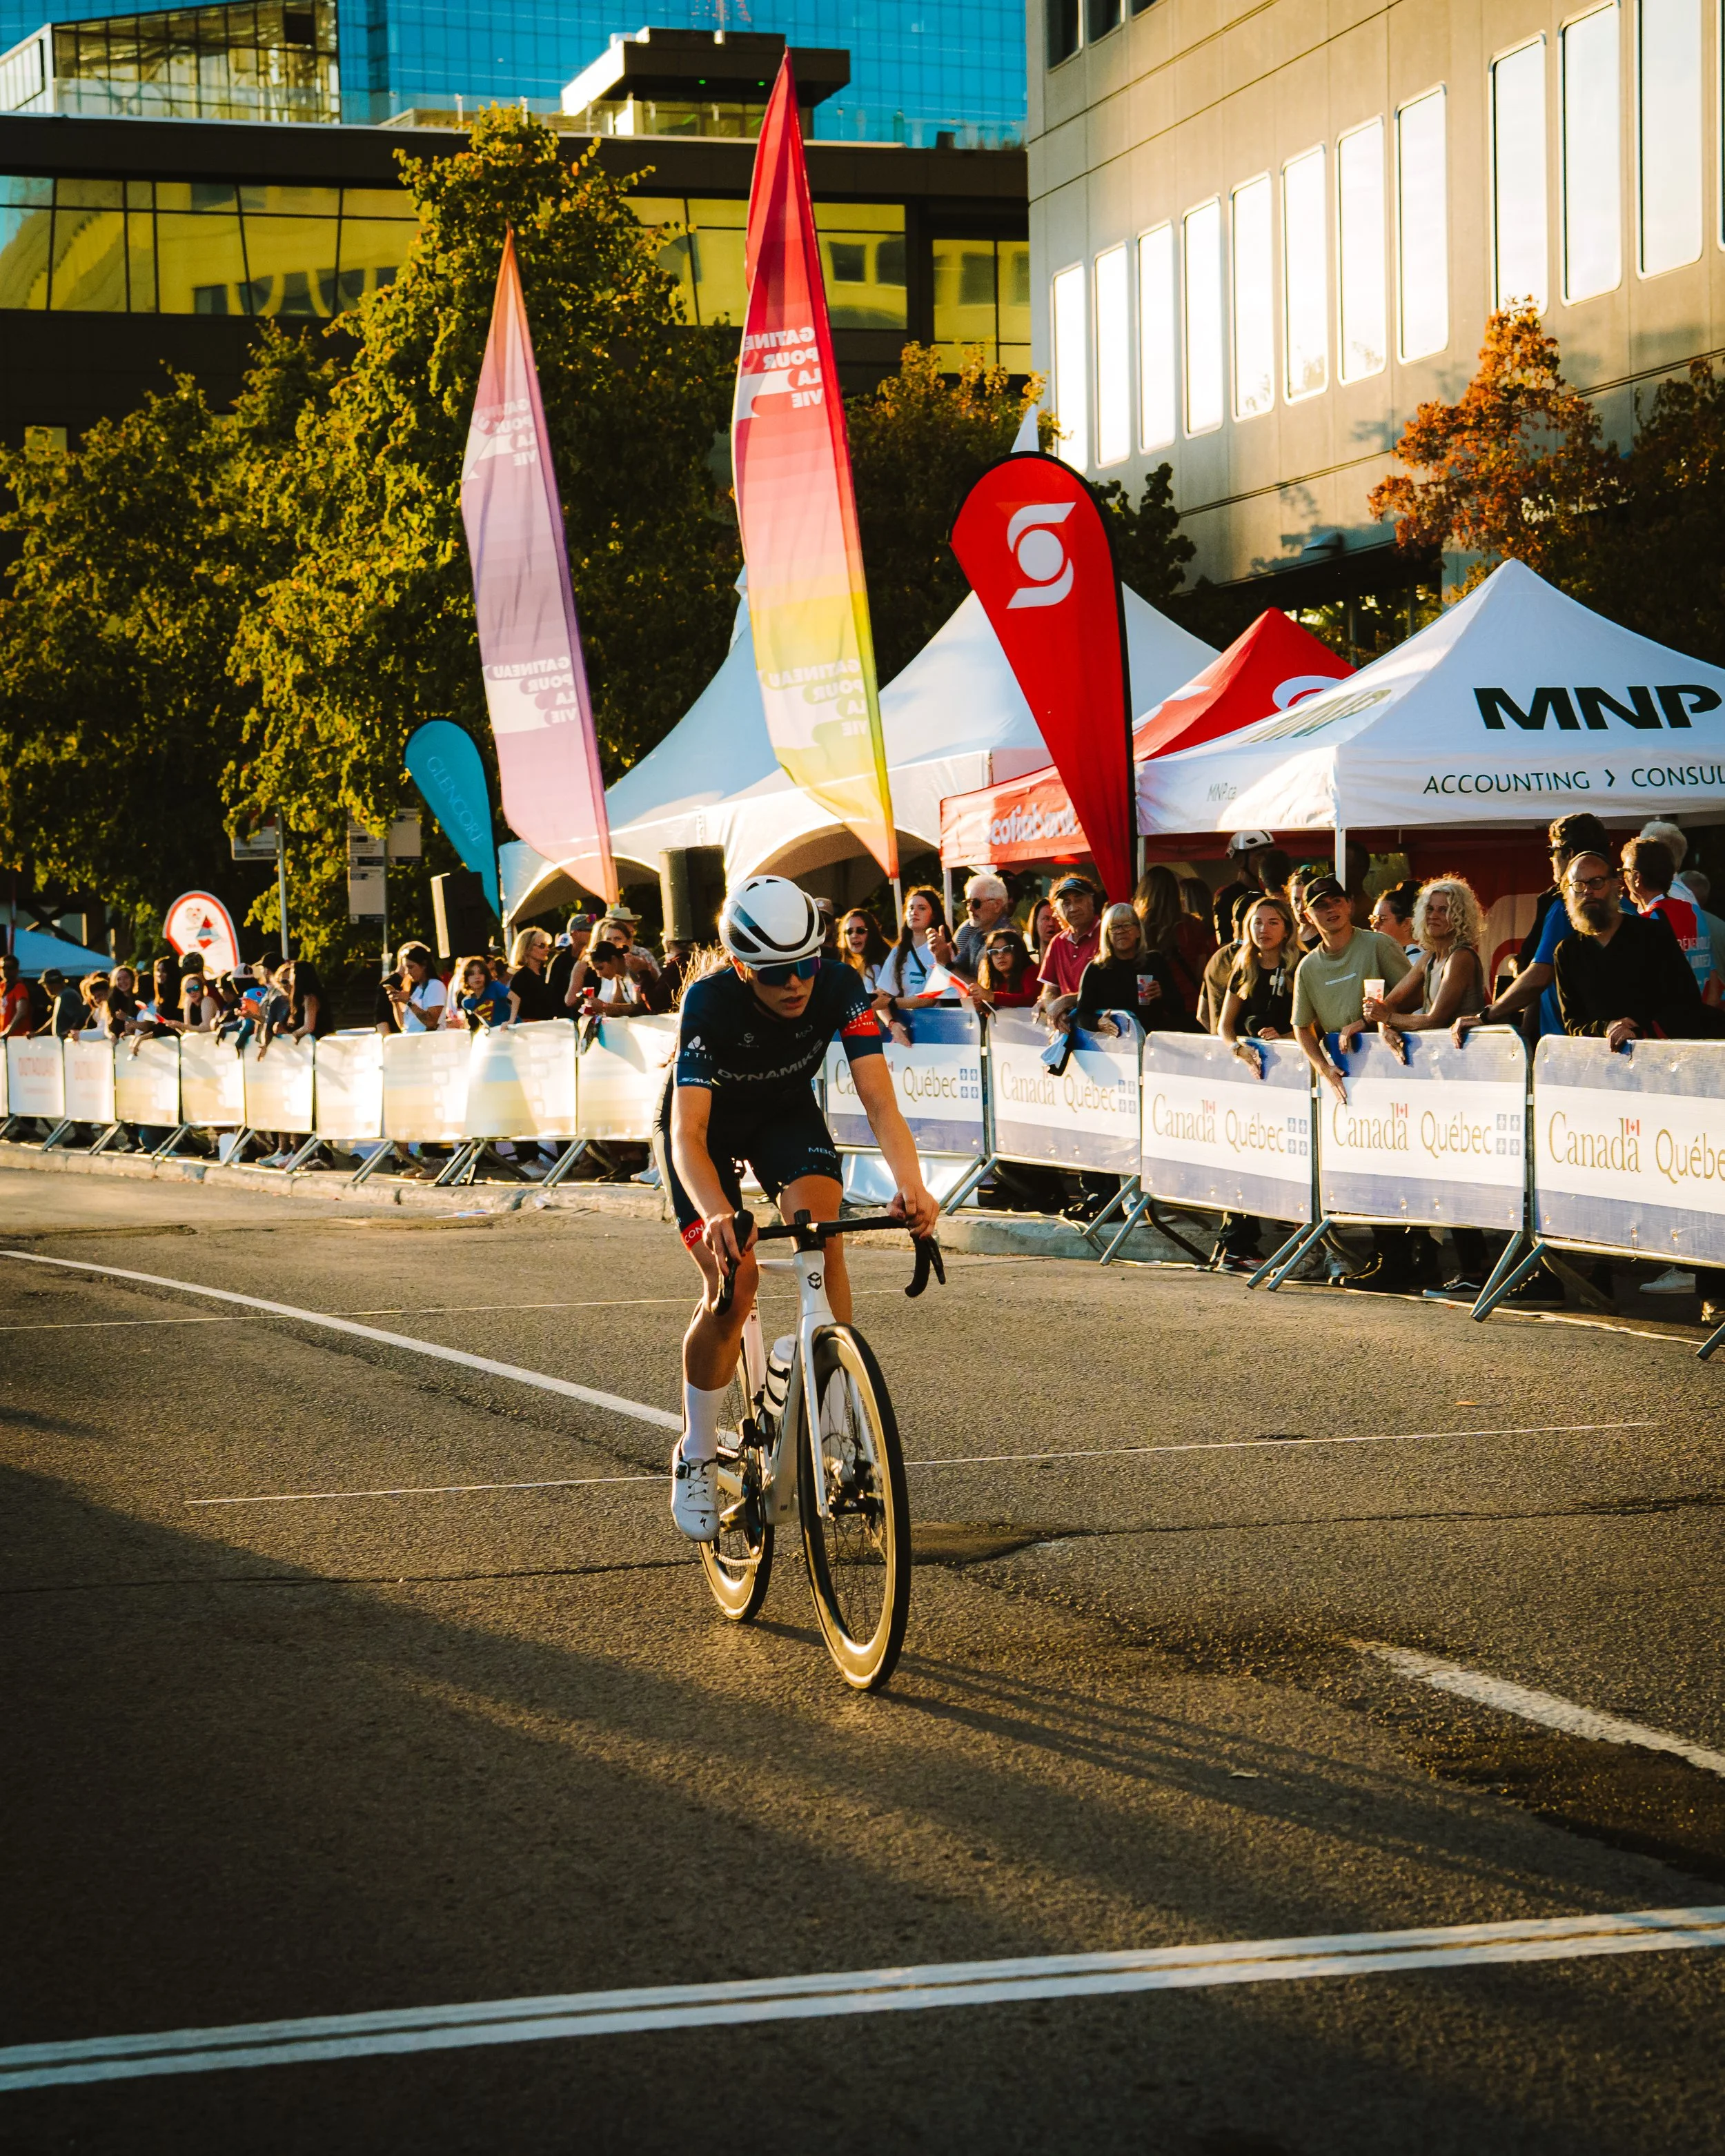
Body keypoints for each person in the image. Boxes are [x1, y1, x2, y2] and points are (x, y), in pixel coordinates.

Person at [662, 874, 938, 1541]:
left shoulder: (841, 986)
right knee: (738, 1280)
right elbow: (687, 1136)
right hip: (708, 1133)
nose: (796, 984)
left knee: (824, 1235)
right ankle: (697, 1451)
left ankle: (834, 1416)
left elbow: (879, 1101)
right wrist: (718, 1214)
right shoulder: (708, 1001)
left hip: (785, 1116)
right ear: (741, 967)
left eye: (806, 966)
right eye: (777, 972)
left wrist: (913, 1186)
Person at [1462, 811, 1614, 1047]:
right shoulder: (1622, 903)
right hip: (1616, 1042)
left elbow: (1539, 976)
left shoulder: (1569, 905)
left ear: (1570, 853)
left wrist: (1486, 1016)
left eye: (1552, 851)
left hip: (1570, 1046)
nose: (1551, 859)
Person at [1213, 896, 1302, 1272]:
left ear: (1287, 928)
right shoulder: (1243, 967)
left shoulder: (1301, 966)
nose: (1263, 930)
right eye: (1257, 923)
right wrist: (1238, 1048)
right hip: (1252, 1080)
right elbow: (1225, 1026)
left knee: (1292, 1162)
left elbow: (1312, 1022)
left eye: (1272, 922)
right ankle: (1237, 1244)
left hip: (1292, 1080)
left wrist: (1283, 1036)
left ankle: (1304, 1246)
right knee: (1244, 1157)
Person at [1553, 852, 1715, 1044]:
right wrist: (1606, 1028)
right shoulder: (1567, 952)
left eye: (1597, 882)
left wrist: (1639, 1032)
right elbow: (1573, 1022)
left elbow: (1686, 1004)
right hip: (1599, 1067)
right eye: (1578, 885)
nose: (1588, 891)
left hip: (1658, 1060)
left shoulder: (1653, 936)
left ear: (1617, 885)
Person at [1363, 878, 1487, 1036]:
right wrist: (1385, 1029)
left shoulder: (1461, 956)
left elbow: (1435, 1020)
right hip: (1439, 1051)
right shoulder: (1429, 957)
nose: (1433, 916)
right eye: (1429, 909)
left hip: (1468, 1053)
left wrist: (1387, 1018)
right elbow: (1387, 1005)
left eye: (1443, 910)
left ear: (1459, 916)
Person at [1065, 903, 1201, 1036]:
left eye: (1127, 925)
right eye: (1114, 927)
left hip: (1151, 1044)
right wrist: (1098, 1024)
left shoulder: (1154, 962)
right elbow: (1081, 1015)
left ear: (1138, 931)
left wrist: (1163, 994)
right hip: (1113, 1048)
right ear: (1107, 935)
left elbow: (1179, 1008)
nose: (1121, 931)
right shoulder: (1096, 969)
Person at [1621, 835, 1715, 998]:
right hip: (1702, 1016)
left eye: (1624, 871)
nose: (1622, 877)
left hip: (1668, 1020)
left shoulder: (1646, 922)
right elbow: (1713, 980)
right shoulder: (1695, 911)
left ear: (1636, 878)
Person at [1133, 863, 1215, 1018]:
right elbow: (1201, 974)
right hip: (1189, 1005)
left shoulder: (1138, 928)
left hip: (1150, 1005)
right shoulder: (1193, 925)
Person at [878, 886, 958, 1040]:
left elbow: (929, 999)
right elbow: (880, 997)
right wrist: (892, 1024)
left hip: (939, 1031)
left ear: (934, 915)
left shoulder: (944, 949)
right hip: (907, 1030)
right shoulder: (898, 952)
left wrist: (890, 1002)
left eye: (921, 908)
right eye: (911, 908)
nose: (914, 912)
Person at [1035, 876, 1102, 1013]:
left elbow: (1110, 989)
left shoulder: (1107, 934)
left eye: (1078, 900)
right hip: (1069, 1027)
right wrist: (1055, 1010)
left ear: (1092, 901)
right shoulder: (1057, 942)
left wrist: (1066, 1001)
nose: (1073, 908)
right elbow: (1048, 991)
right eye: (1066, 903)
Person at [1211, 830, 1275, 945]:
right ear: (1240, 861)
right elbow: (1224, 944)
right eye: (1260, 855)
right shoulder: (1227, 897)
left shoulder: (1268, 894)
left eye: (1269, 856)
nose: (1266, 861)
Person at [951, 872, 1012, 979]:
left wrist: (945, 963)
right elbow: (957, 969)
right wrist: (943, 956)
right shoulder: (977, 935)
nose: (970, 908)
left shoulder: (1008, 938)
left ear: (997, 905)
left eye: (975, 903)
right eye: (968, 903)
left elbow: (987, 987)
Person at [968, 928, 1039, 1011]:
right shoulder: (993, 980)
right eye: (994, 952)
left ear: (1018, 951)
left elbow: (1031, 1000)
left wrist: (991, 996)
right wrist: (981, 1006)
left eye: (1007, 950)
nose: (1000, 956)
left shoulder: (1032, 971)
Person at [505, 927, 558, 1025]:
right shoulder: (521, 978)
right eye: (541, 946)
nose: (547, 949)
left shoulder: (546, 973)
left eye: (547, 945)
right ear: (527, 949)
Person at [448, 955, 510, 1029]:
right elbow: (474, 1021)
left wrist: (511, 1021)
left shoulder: (495, 987)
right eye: (491, 970)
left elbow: (515, 1000)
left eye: (481, 973)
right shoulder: (466, 1000)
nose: (494, 974)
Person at [838, 908, 890, 992]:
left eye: (861, 931)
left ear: (872, 933)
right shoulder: (854, 966)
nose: (854, 935)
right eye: (849, 931)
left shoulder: (874, 968)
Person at [1370, 882, 1420, 951]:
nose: (1374, 925)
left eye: (1382, 919)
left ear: (1406, 924)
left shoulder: (1417, 959)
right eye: (1373, 919)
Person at [1, 952, 32, 1038]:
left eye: (10, 968)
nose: (6, 971)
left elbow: (21, 1012)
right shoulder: (1, 987)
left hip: (17, 1037)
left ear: (16, 970)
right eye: (3, 968)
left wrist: (8, 1031)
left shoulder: (19, 987)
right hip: (3, 1037)